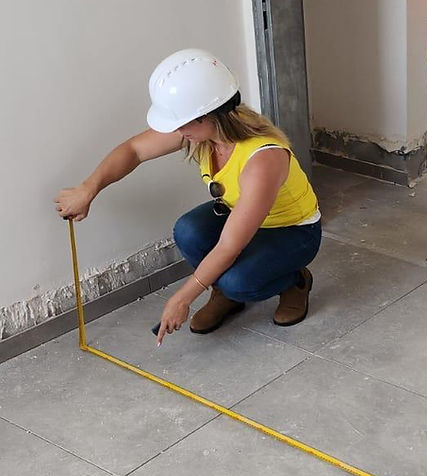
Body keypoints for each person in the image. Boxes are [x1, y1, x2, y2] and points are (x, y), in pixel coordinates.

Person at [54, 49, 321, 345]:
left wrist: (183, 298)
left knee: (239, 281)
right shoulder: (203, 128)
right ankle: (225, 295)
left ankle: (294, 281)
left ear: (207, 115)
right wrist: (88, 188)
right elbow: (134, 150)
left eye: (181, 123)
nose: (177, 131)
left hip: (292, 230)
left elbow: (229, 246)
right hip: (240, 214)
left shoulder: (262, 159)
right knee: (188, 230)